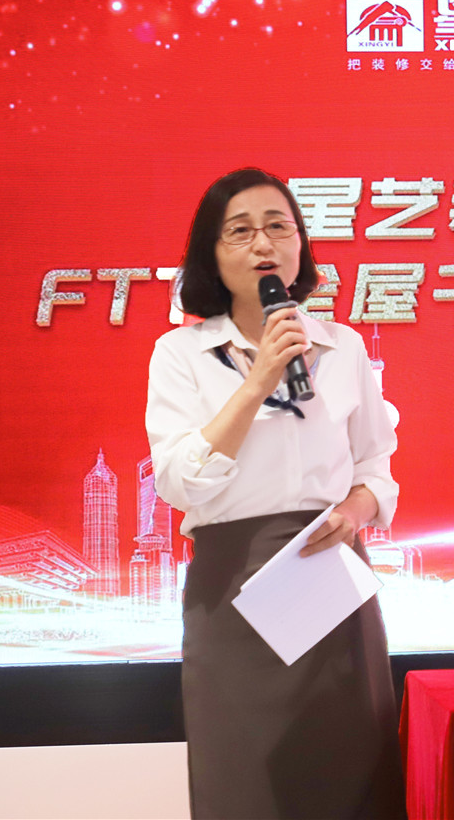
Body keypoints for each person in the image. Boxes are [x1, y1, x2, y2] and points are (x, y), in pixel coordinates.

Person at [146, 168, 404, 819]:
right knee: (244, 782)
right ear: (212, 253)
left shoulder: (341, 346)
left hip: (328, 583)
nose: (263, 243)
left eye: (278, 226)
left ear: (299, 244)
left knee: (350, 776)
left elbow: (376, 466)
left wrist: (355, 510)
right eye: (240, 230)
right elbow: (178, 481)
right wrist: (259, 379)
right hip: (233, 589)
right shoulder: (181, 353)